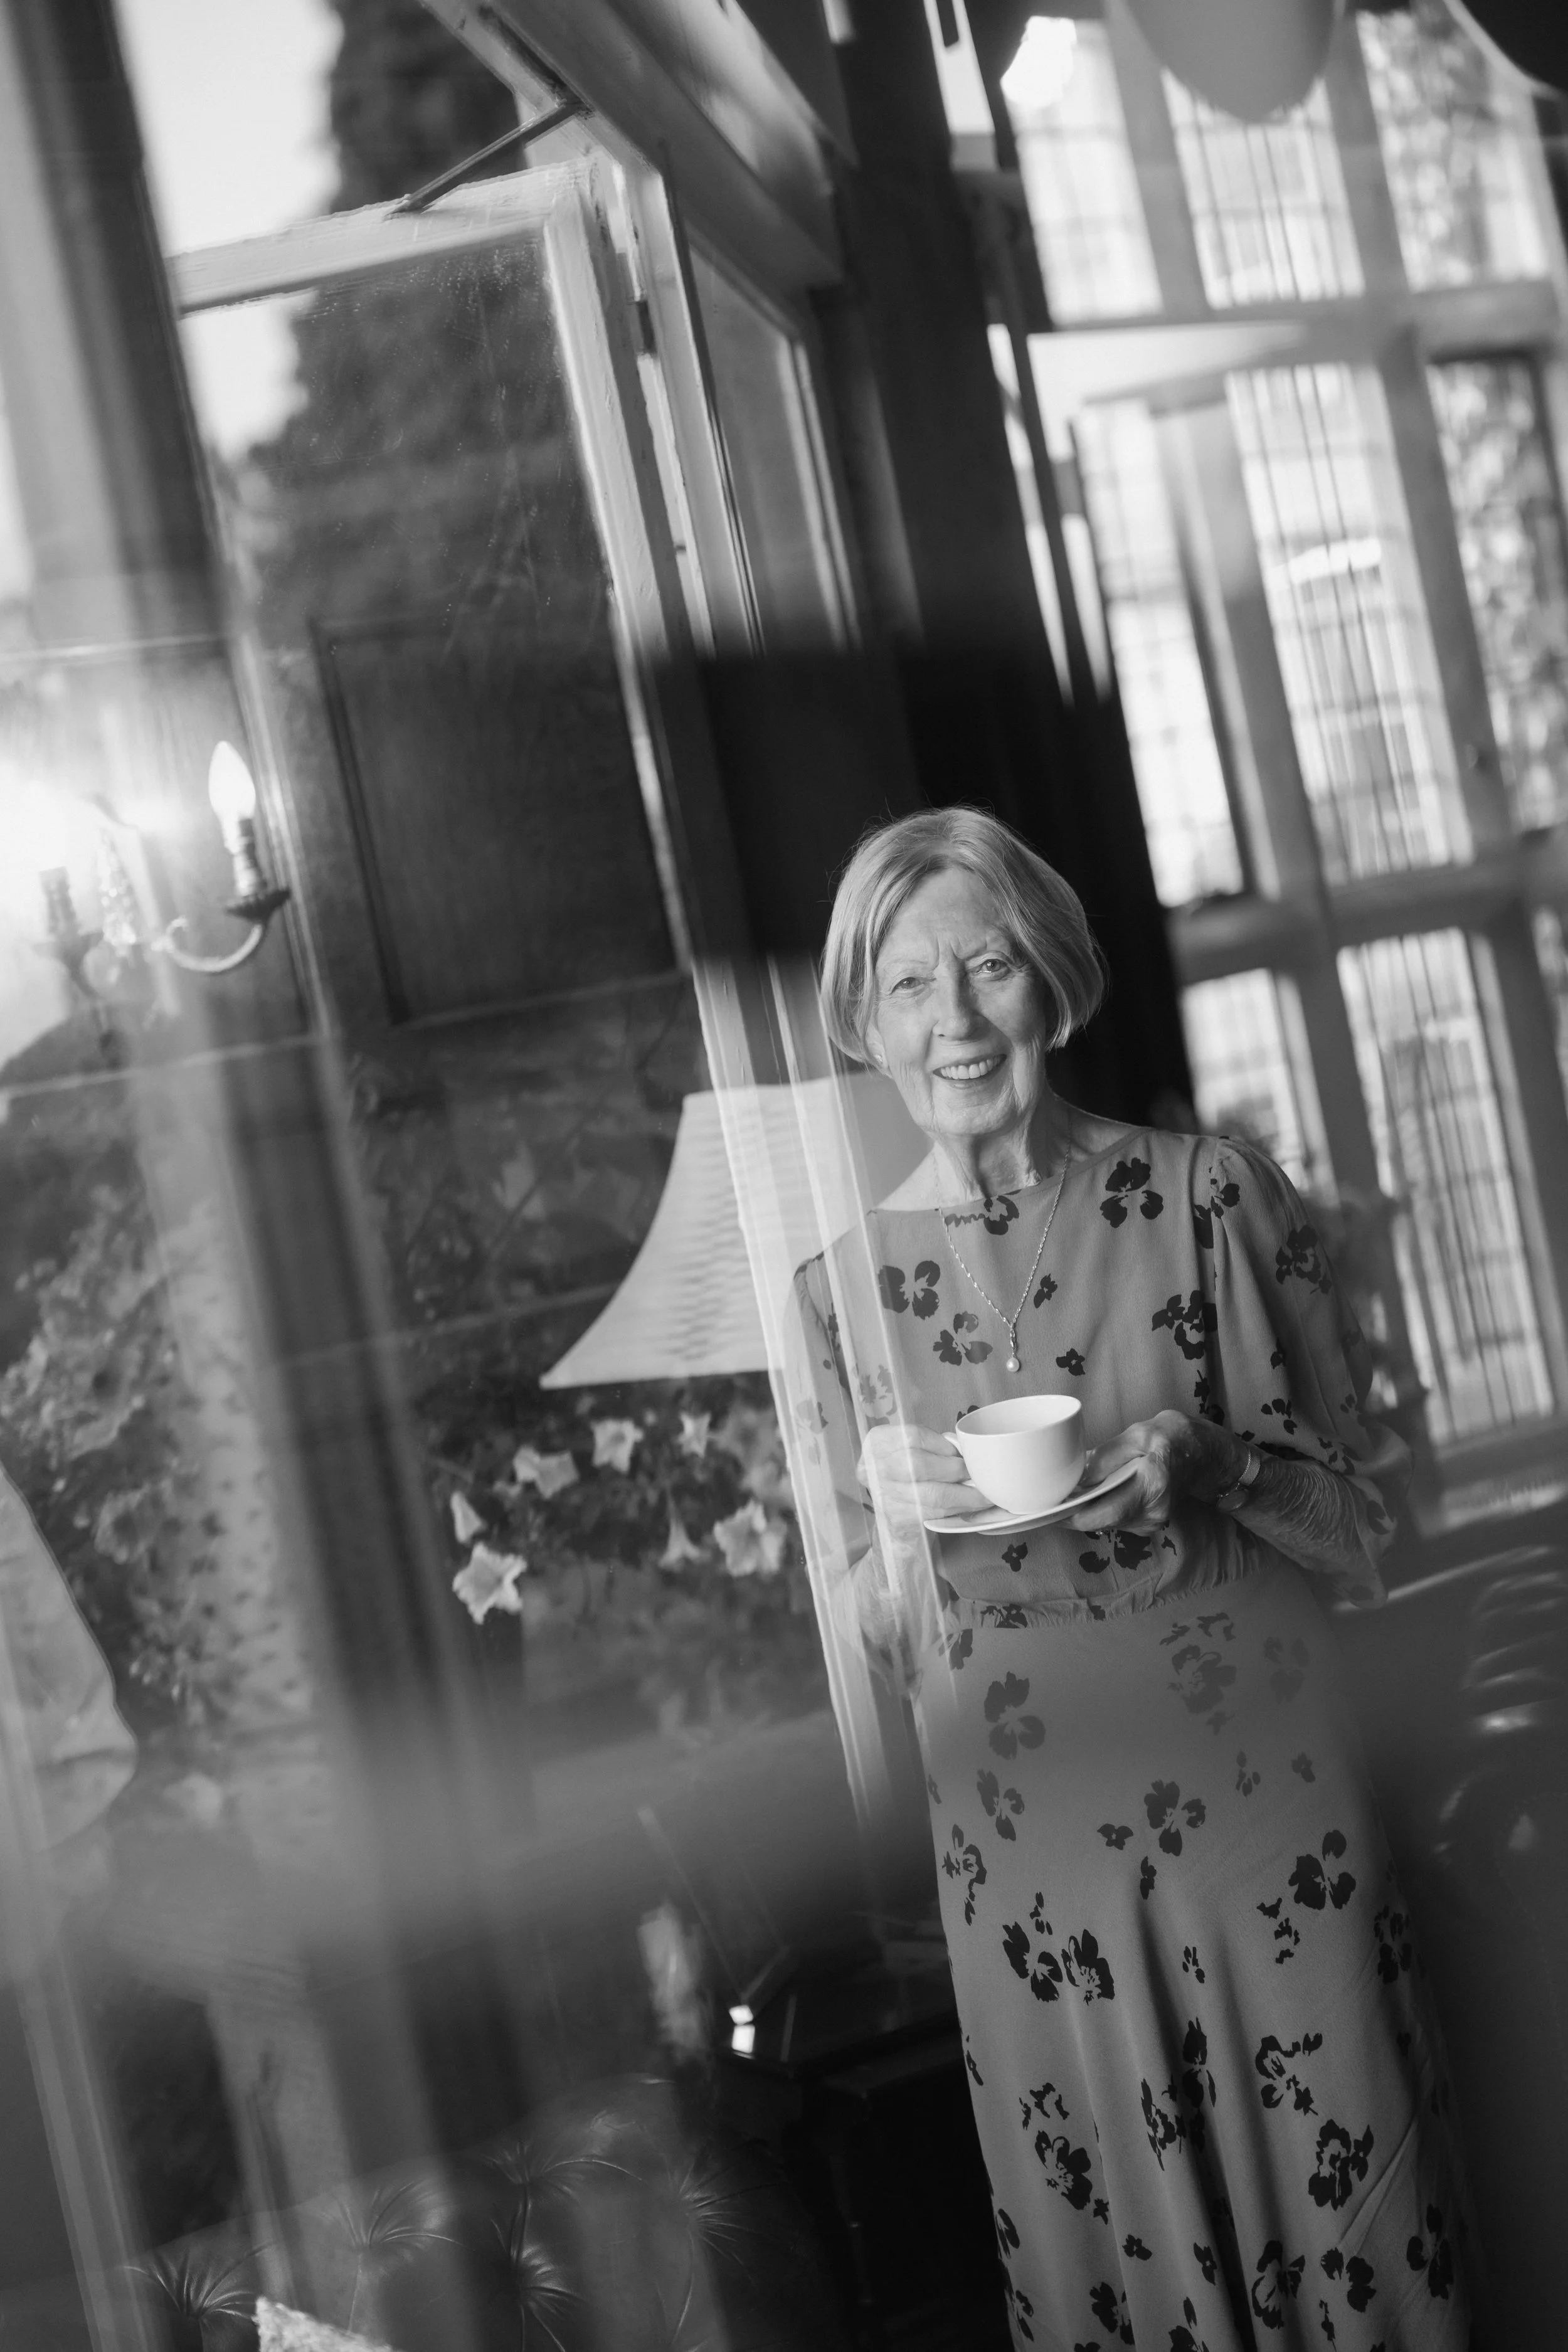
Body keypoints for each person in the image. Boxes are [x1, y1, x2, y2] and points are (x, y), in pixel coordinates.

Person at [785, 809, 1471, 2351]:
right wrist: (888, 1543)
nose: (951, 1020)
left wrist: (1215, 1465)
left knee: (1347, 2220)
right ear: (863, 1021)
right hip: (1026, 1852)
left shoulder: (1208, 1199)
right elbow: (893, 1641)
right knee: (1122, 2255)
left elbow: (1366, 1530)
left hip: (1260, 1806)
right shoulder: (836, 1300)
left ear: (1054, 979)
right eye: (906, 985)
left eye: (986, 968)